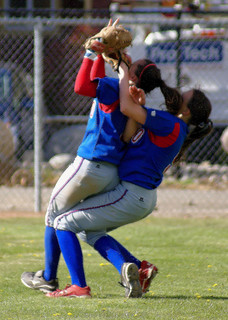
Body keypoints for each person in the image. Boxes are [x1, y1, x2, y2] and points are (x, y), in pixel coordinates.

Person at [35, 60, 212, 299]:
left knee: (64, 222)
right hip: (138, 196)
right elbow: (129, 134)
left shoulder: (172, 124)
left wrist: (122, 71)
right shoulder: (172, 125)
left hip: (131, 194)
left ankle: (79, 287)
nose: (180, 94)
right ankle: (136, 268)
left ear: (187, 110)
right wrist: (139, 105)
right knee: (90, 231)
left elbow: (126, 108)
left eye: (185, 96)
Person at [21, 21, 164, 296]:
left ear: (133, 75)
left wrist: (91, 52)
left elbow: (81, 86)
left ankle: (52, 278)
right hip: (110, 172)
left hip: (90, 165)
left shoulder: (115, 88)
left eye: (133, 64)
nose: (126, 57)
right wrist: (101, 53)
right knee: (88, 228)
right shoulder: (133, 97)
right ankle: (133, 266)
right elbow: (95, 82)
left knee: (55, 215)